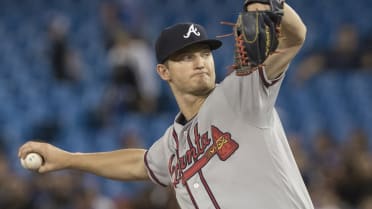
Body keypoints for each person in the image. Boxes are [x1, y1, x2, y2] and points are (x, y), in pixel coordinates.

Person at [19, 1, 312, 208]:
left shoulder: (240, 93)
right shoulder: (174, 142)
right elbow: (139, 163)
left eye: (204, 54)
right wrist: (67, 159)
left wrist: (273, 5)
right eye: (186, 57)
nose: (199, 63)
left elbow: (293, 39)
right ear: (163, 72)